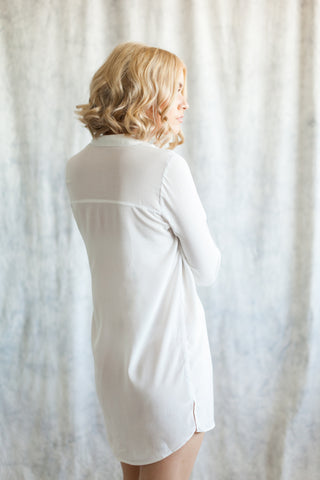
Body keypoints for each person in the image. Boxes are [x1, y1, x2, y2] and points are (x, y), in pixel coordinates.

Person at [65, 41, 221, 480]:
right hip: (169, 370)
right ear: (148, 93)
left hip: (115, 367)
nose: (185, 103)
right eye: (177, 89)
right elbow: (208, 269)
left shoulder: (76, 168)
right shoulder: (166, 169)